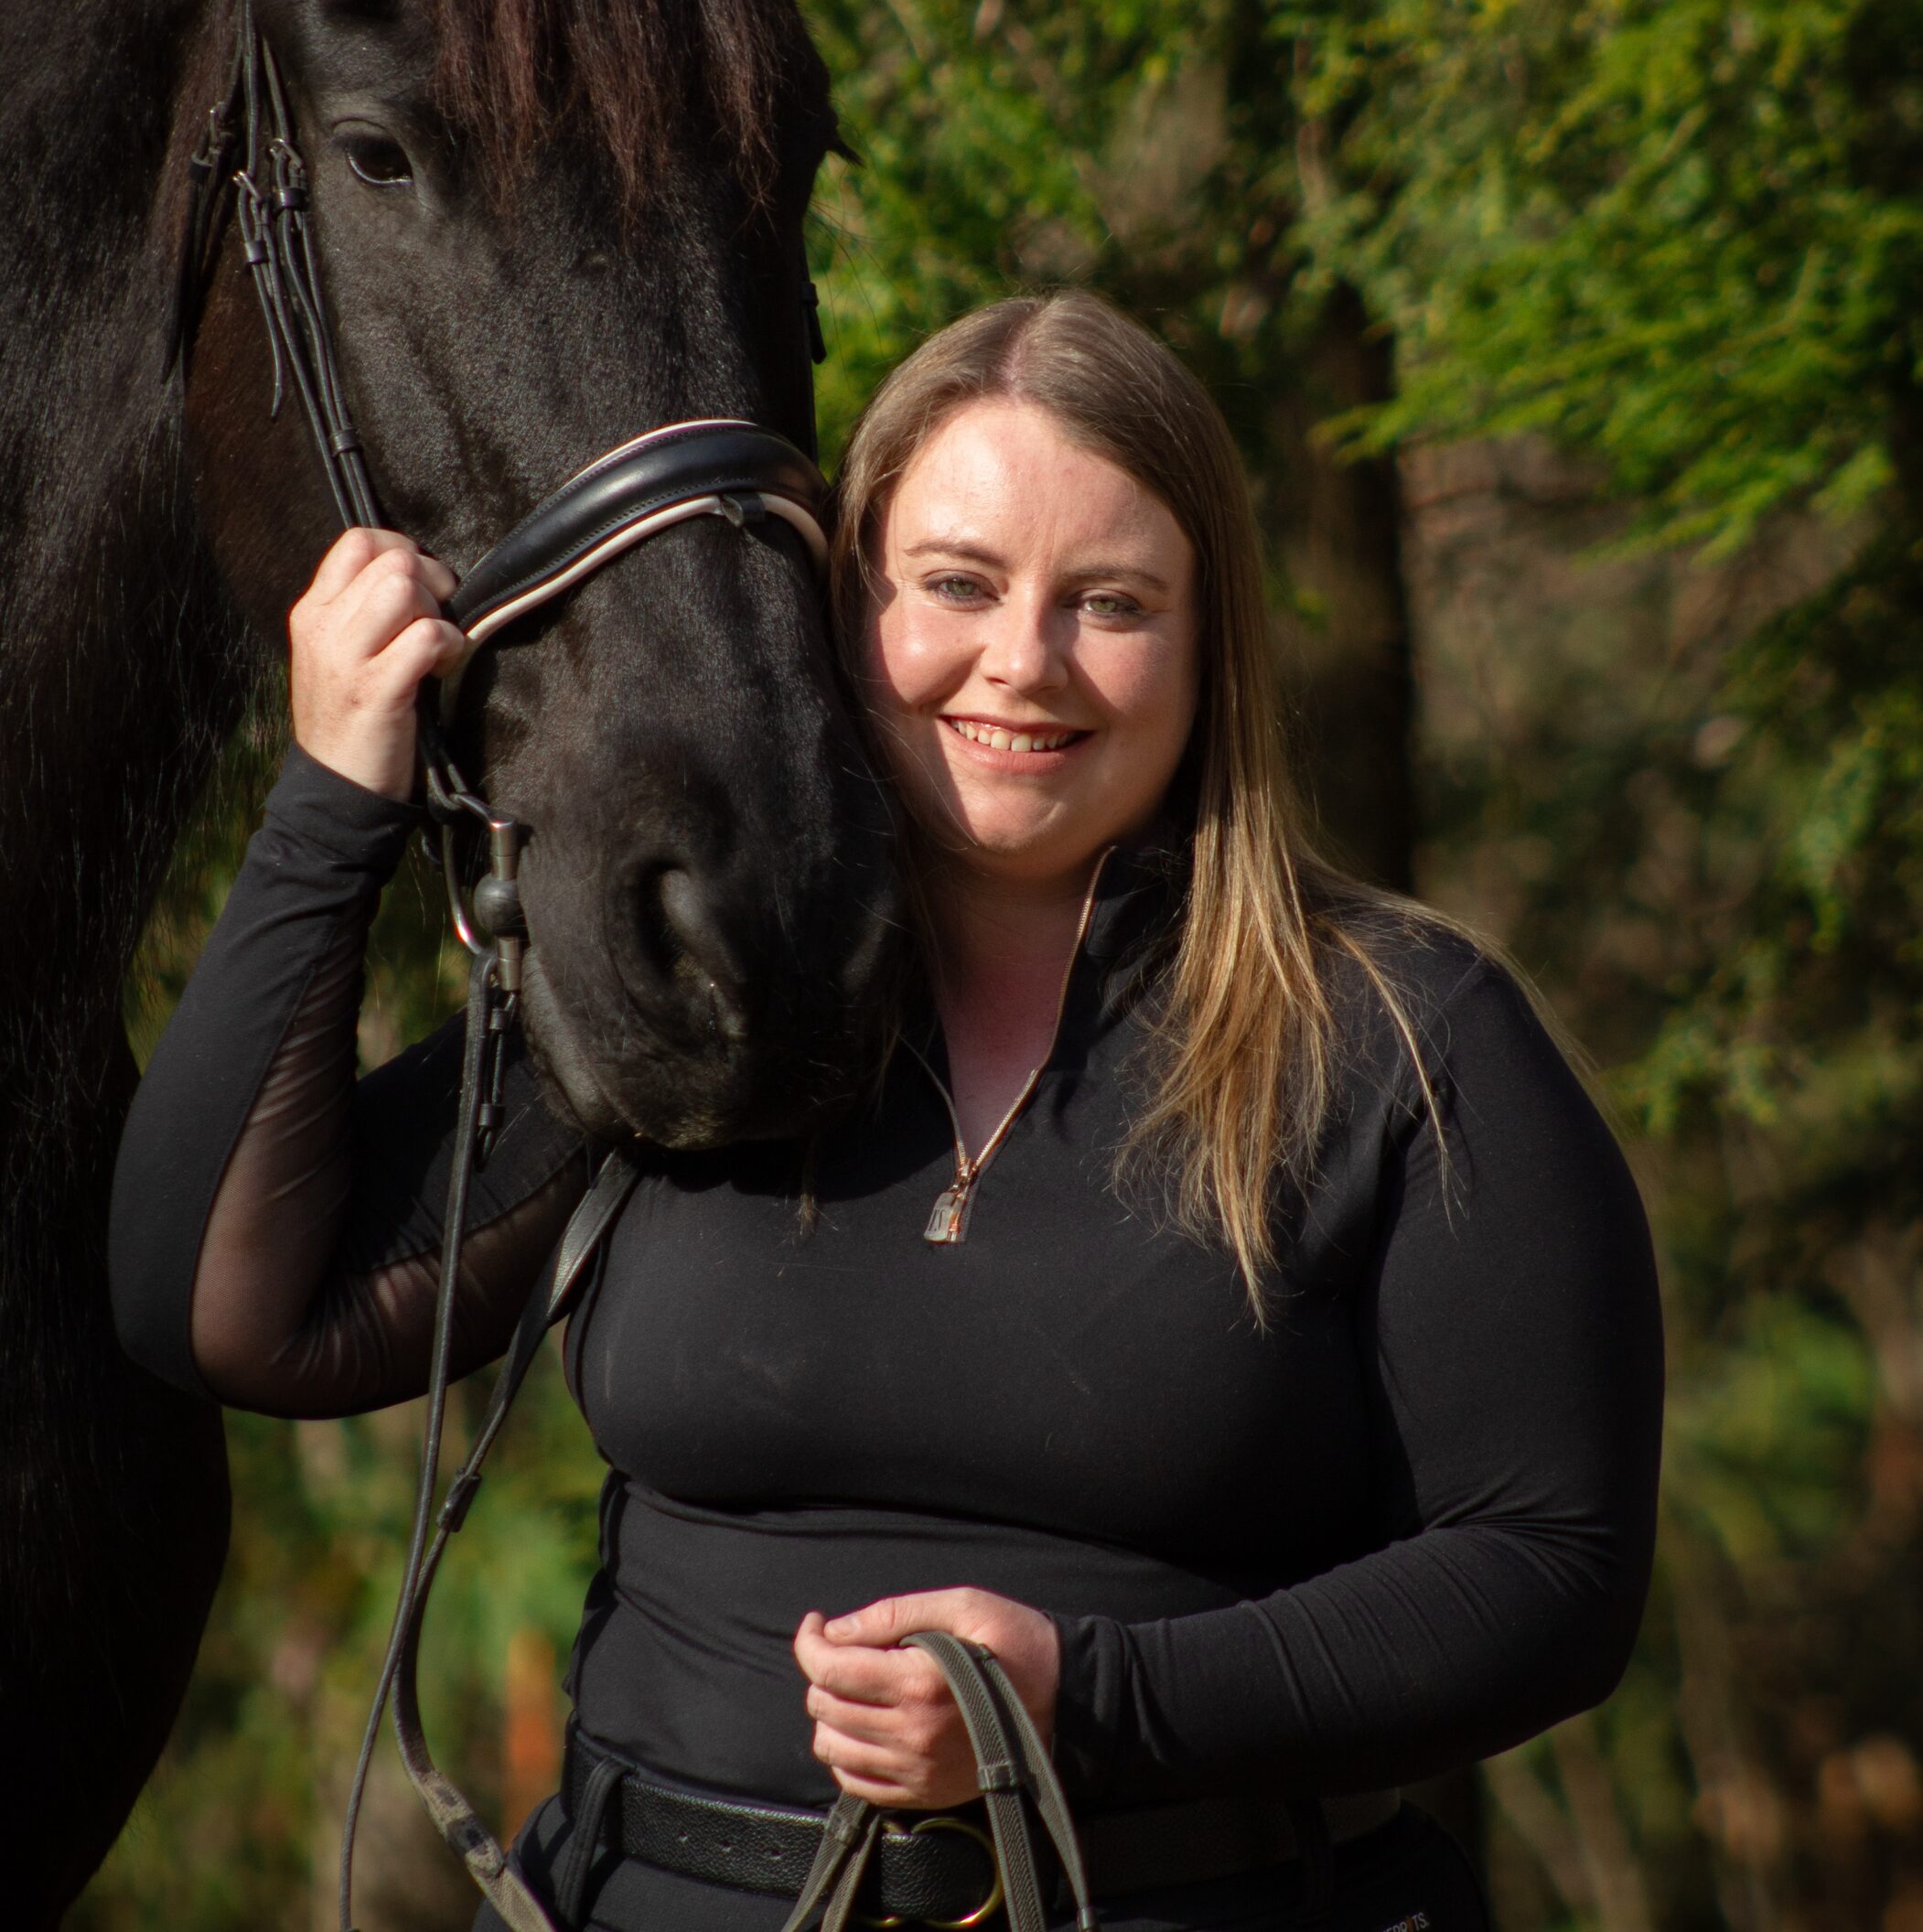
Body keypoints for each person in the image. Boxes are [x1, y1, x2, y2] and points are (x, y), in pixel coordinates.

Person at [111, 290, 1664, 1932]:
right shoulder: (698, 989)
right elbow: (226, 1310)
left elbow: (1548, 1571)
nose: (1022, 662)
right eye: (956, 584)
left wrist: (1088, 1701)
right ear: (845, 606)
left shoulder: (1403, 1035)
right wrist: (332, 803)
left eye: (1111, 603)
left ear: (1209, 643)